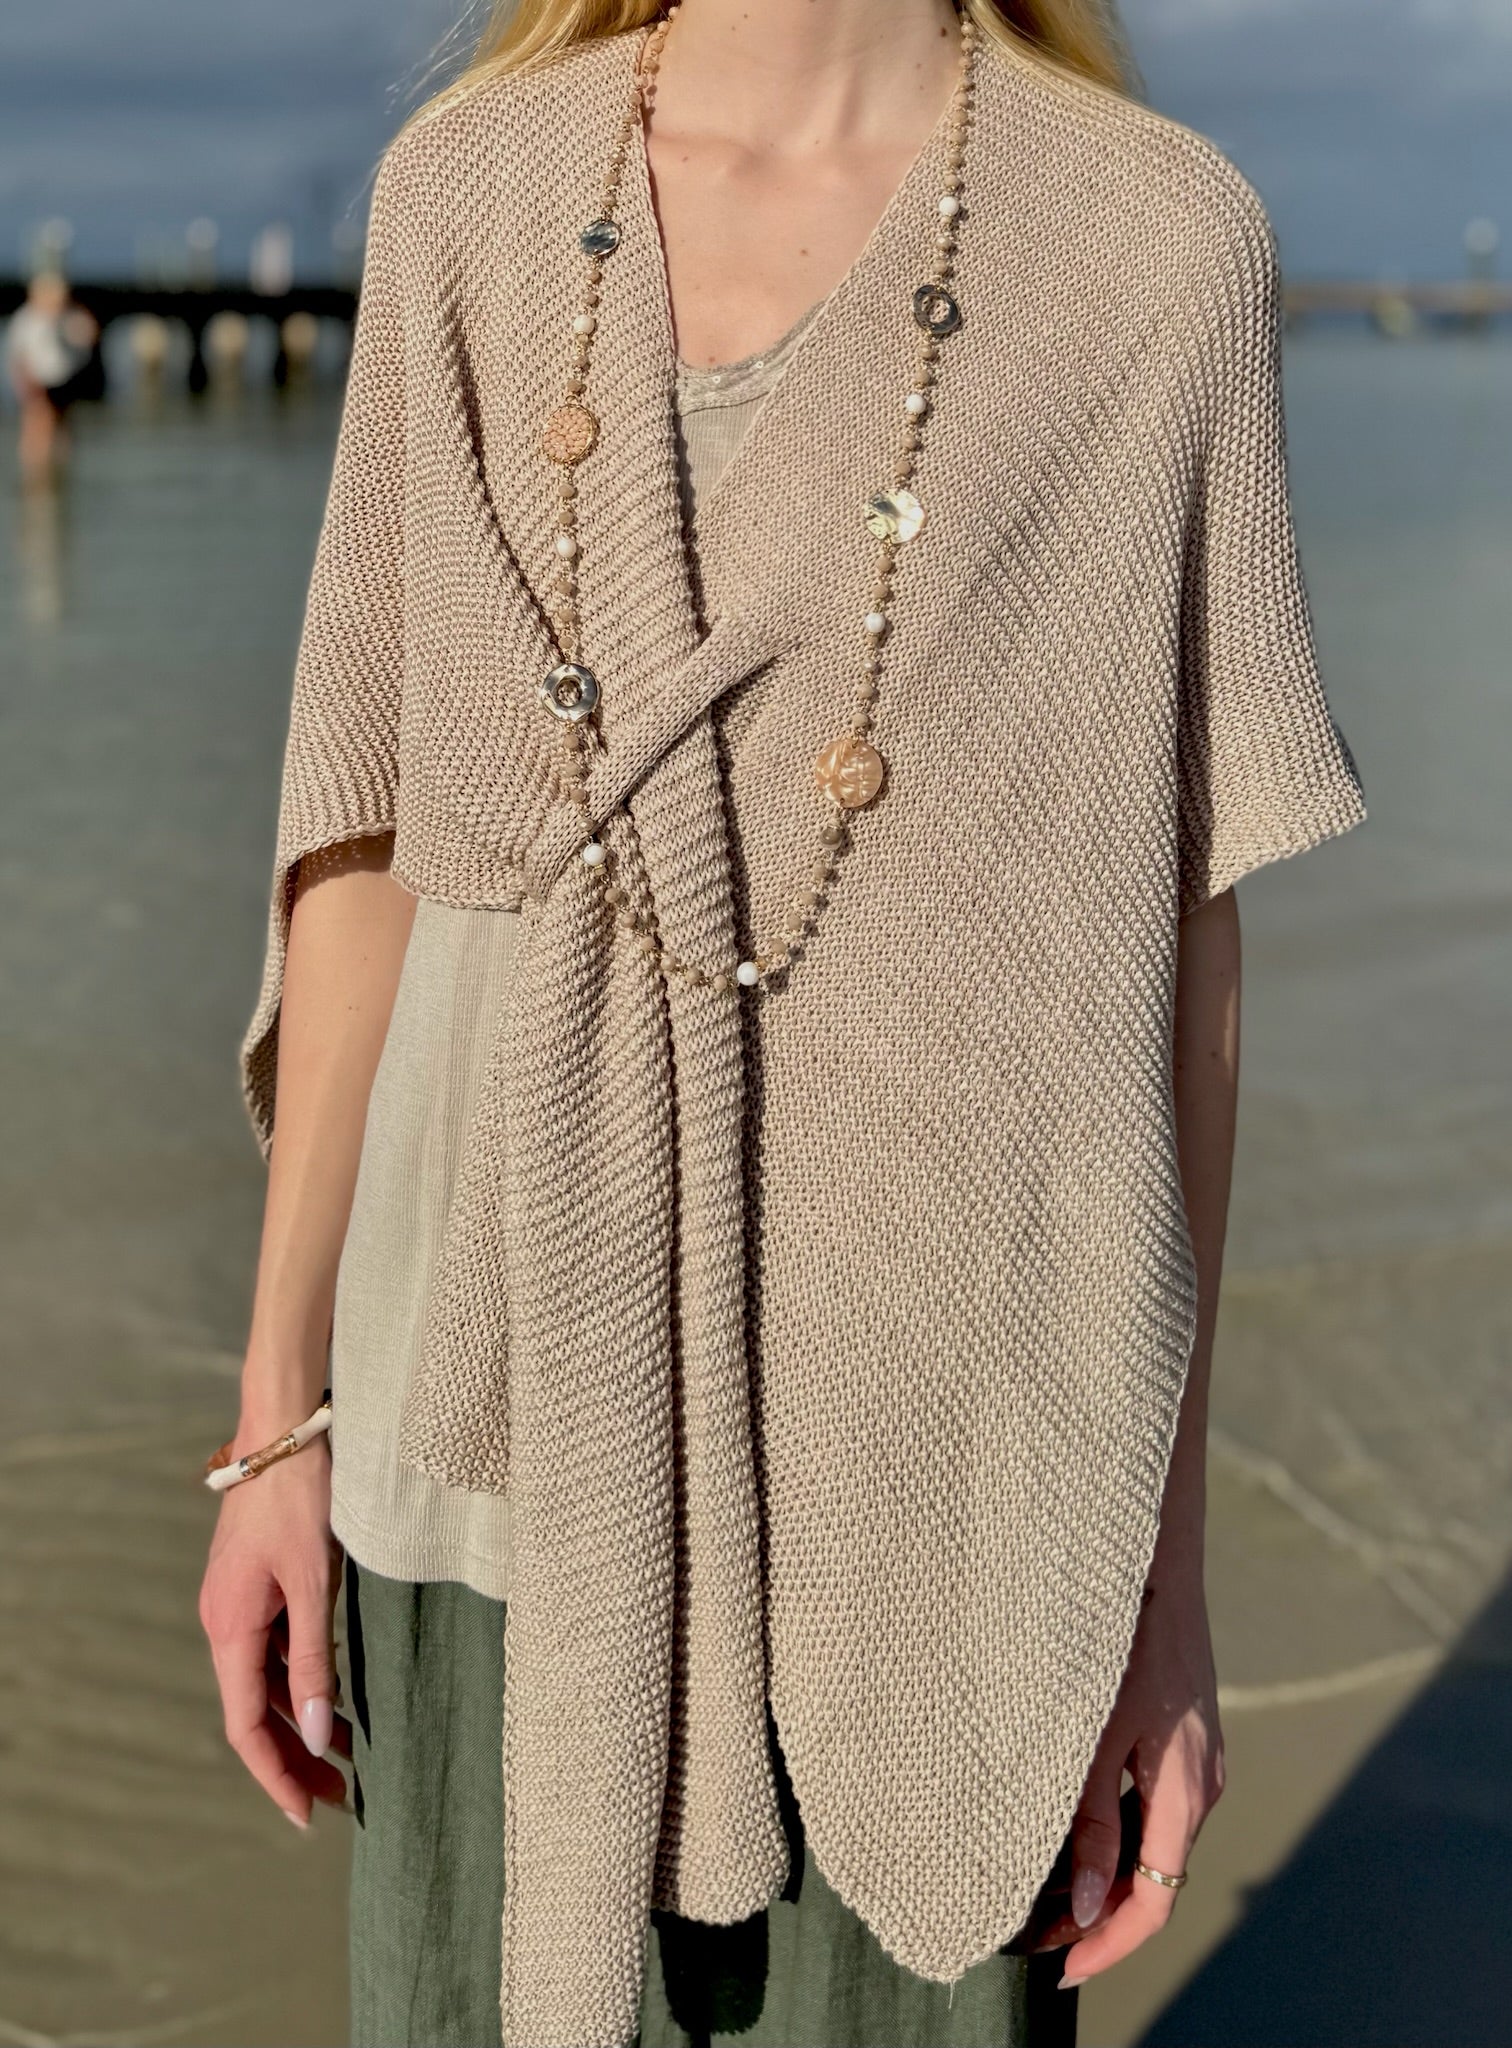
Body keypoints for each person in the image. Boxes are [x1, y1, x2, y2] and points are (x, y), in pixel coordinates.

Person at [199, 2, 1367, 2044]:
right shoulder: (467, 197)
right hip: (482, 1419)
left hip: (949, 1463)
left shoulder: (1158, 247)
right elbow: (373, 826)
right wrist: (274, 1418)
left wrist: (1157, 1579)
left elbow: (1166, 949)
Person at [6, 271, 98, 483]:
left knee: (63, 422)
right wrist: (23, 382)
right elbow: (18, 355)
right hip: (38, 378)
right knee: (38, 422)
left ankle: (61, 469)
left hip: (65, 377)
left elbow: (89, 336)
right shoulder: (27, 318)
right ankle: (35, 471)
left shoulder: (70, 315)